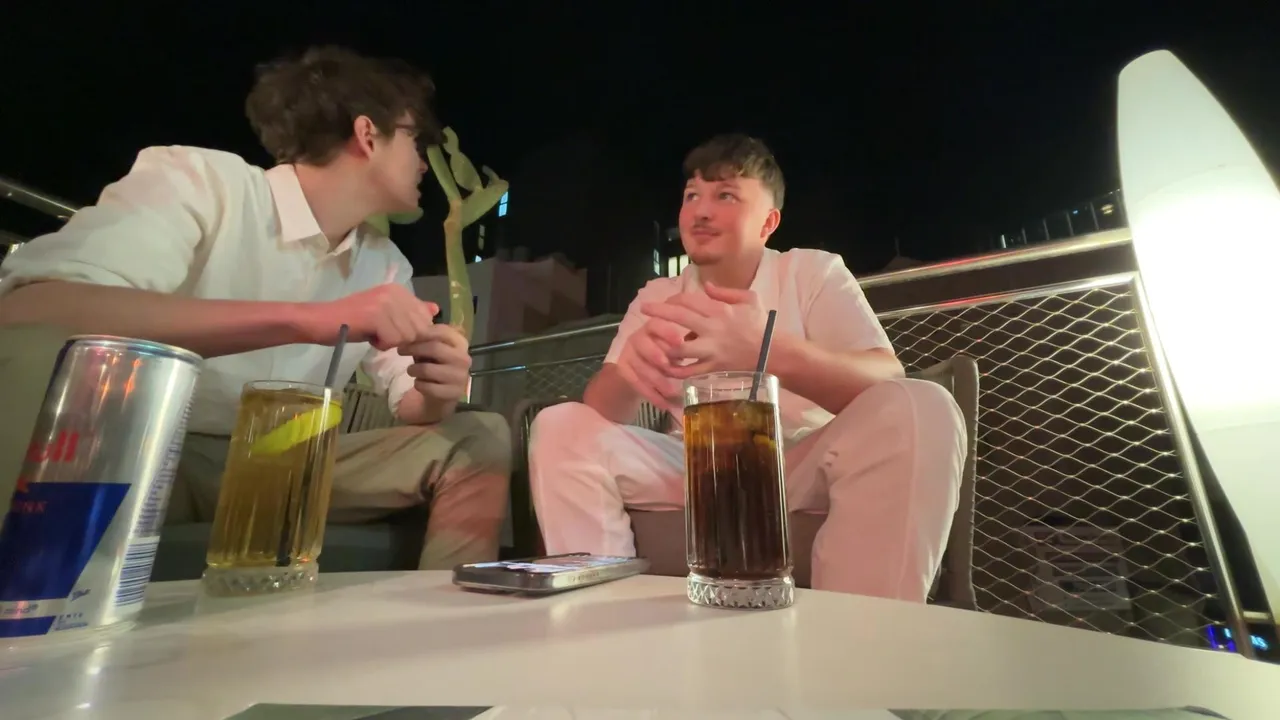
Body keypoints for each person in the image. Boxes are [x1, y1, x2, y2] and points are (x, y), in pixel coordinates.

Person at [0, 46, 512, 570]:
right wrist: (308, 320)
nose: (424, 161)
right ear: (367, 134)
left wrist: (437, 388)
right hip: (143, 449)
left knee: (480, 436)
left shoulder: (385, 264)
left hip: (278, 462)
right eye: (416, 140)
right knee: (30, 360)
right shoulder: (204, 182)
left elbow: (411, 404)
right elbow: (36, 309)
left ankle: (448, 615)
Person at [528, 134, 966, 602]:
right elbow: (600, 410)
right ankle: (601, 617)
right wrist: (629, 373)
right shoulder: (658, 296)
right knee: (559, 425)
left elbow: (886, 378)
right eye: (691, 195)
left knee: (922, 406)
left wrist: (766, 349)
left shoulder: (810, 272)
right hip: (693, 464)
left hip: (799, 462)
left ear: (768, 222)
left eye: (725, 195)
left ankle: (861, 634)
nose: (700, 211)